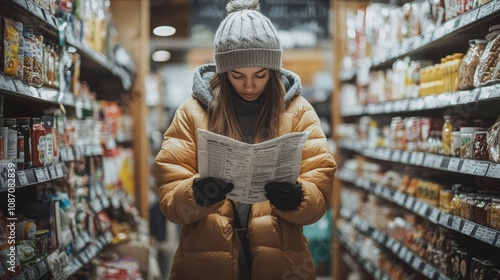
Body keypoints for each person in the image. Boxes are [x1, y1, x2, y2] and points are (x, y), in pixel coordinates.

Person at [154, 0, 337, 279]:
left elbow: (319, 195)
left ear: (273, 71)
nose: (249, 85)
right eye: (237, 75)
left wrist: (298, 198)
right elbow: (170, 199)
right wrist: (196, 194)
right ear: (223, 72)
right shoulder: (191, 113)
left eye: (260, 75)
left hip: (280, 261)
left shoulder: (299, 112)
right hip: (206, 260)